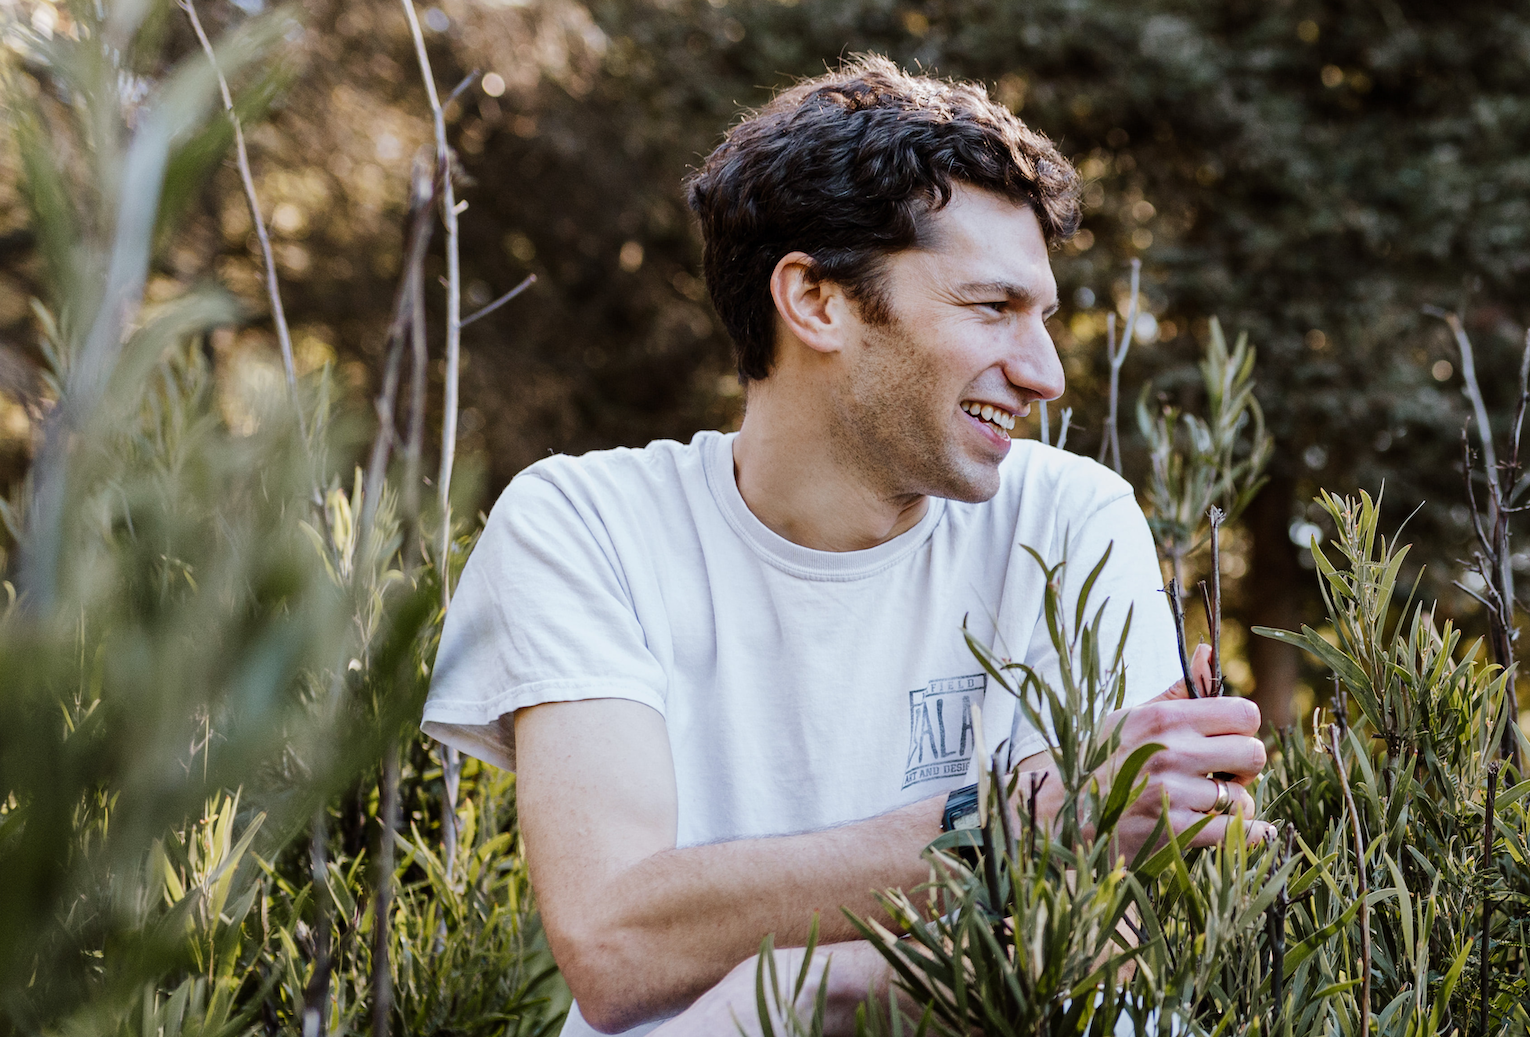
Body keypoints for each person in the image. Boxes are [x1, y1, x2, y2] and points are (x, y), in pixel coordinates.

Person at [421, 56, 1273, 1036]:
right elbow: (617, 947)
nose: (1043, 371)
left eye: (1042, 315)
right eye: (992, 307)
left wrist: (772, 993)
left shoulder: (1072, 521)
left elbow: (1100, 947)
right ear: (818, 302)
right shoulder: (586, 524)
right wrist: (1020, 824)